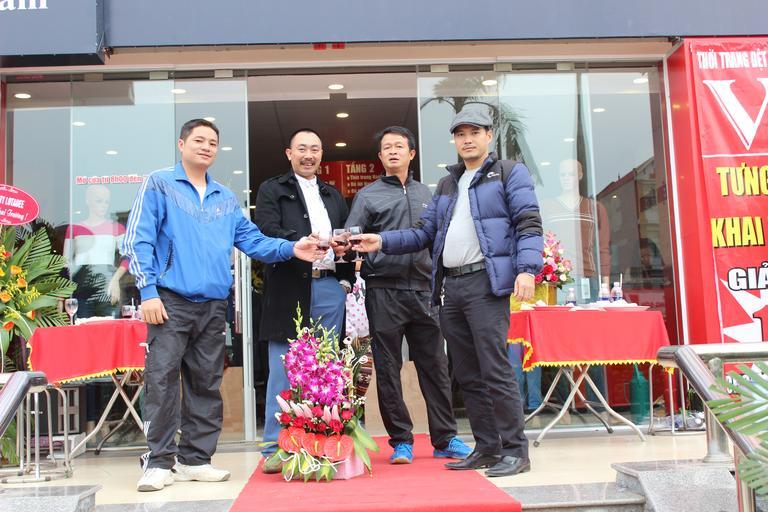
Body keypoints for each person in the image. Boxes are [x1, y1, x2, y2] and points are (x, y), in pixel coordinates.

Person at [123, 119, 324, 492]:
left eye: (212, 142)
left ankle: (195, 459)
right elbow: (139, 240)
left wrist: (292, 248)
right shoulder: (160, 184)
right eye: (198, 140)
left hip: (213, 304)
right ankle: (159, 462)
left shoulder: (225, 198)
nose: (206, 147)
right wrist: (148, 291)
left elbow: (252, 240)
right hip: (169, 301)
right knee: (162, 381)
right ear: (181, 144)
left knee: (206, 383)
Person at [354, 104, 543, 478]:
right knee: (467, 374)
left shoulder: (509, 172)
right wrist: (382, 240)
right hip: (450, 287)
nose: (467, 140)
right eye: (460, 134)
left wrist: (527, 269)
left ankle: (515, 451)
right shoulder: (447, 184)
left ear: (489, 136)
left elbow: (528, 222)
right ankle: (487, 448)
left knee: (495, 369)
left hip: (485, 284)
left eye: (474, 133)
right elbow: (423, 234)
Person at [344, 126, 471, 464]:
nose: (393, 151)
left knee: (436, 366)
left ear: (411, 153)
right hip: (383, 289)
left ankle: (445, 438)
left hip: (425, 290)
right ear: (380, 156)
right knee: (388, 367)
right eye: (387, 147)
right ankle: (401, 440)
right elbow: (352, 239)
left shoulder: (429, 193)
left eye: (399, 146)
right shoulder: (367, 196)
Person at [255, 128, 354, 473]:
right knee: (283, 368)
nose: (308, 155)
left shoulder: (332, 194)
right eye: (301, 149)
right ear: (289, 153)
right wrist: (299, 240)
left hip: (328, 286)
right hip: (289, 287)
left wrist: (344, 281)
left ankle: (323, 440)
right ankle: (274, 446)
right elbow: (265, 231)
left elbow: (345, 238)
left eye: (315, 149)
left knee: (327, 369)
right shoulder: (272, 189)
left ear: (322, 154)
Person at [64, 184, 128, 318]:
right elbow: (65, 262)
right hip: (80, 287)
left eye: (106, 202)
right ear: (88, 201)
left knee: (109, 328)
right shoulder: (74, 228)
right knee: (82, 328)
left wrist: (115, 280)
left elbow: (128, 257)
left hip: (107, 286)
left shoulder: (116, 228)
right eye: (99, 201)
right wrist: (61, 296)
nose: (103, 205)